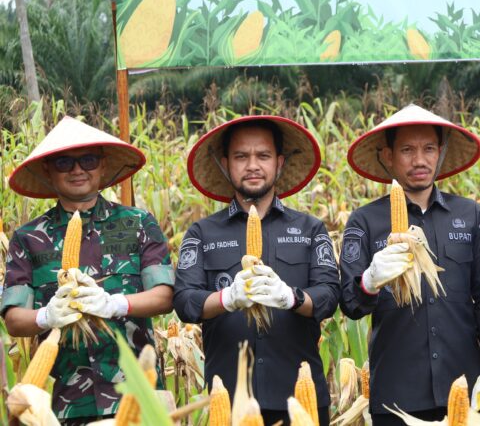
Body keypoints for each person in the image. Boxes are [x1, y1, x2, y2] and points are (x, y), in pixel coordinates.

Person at [339, 104, 480, 425]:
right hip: (396, 397)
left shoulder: (469, 215)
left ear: (441, 153)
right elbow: (349, 303)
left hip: (464, 389)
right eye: (407, 150)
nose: (420, 160)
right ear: (387, 156)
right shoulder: (365, 221)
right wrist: (370, 281)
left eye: (429, 149)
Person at [2, 117, 175, 425]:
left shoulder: (138, 223)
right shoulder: (28, 238)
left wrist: (115, 303)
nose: (77, 170)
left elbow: (164, 296)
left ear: (103, 166)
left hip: (138, 395)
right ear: (48, 170)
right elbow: (14, 319)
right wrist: (46, 316)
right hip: (66, 402)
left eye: (88, 160)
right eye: (64, 162)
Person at [173, 116, 340, 425]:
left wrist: (290, 297)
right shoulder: (201, 233)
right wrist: (226, 299)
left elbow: (329, 295)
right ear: (225, 164)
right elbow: (184, 301)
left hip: (300, 399)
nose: (252, 165)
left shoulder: (311, 229)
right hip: (230, 403)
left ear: (279, 162)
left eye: (263, 156)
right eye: (241, 156)